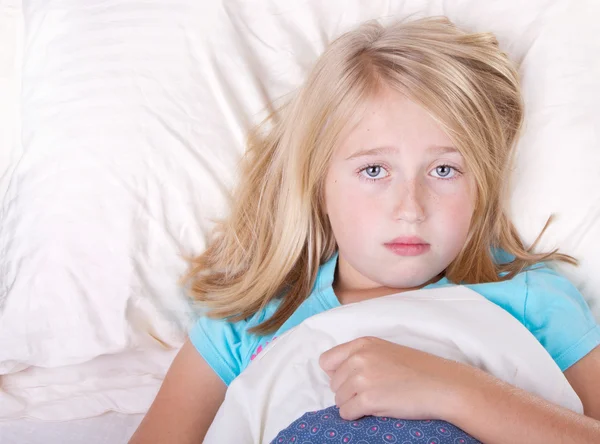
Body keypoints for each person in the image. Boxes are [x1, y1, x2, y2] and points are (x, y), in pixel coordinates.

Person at [130, 16, 600, 443]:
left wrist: (457, 391)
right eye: (374, 171)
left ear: (484, 183)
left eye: (444, 170)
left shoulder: (533, 301)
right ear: (319, 183)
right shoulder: (250, 320)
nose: (410, 209)